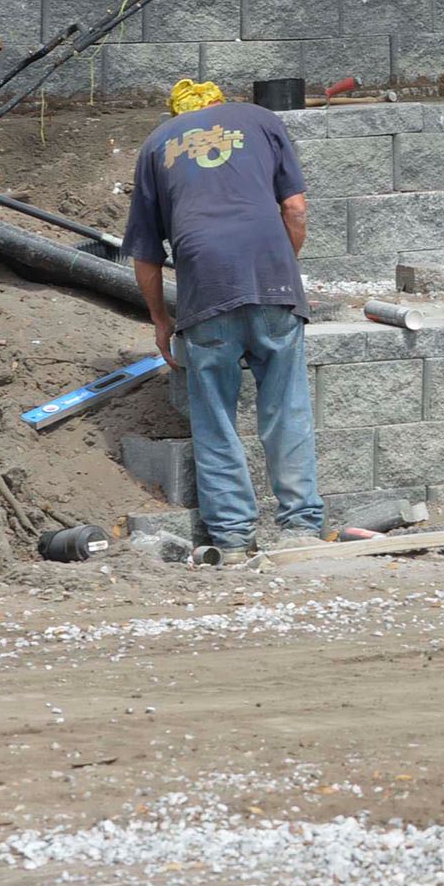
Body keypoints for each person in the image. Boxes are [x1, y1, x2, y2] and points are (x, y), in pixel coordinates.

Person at [122, 78, 323, 560]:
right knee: (286, 408)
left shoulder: (155, 145)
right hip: (273, 281)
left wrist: (161, 322)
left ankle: (232, 539)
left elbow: (145, 259)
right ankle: (301, 530)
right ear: (218, 103)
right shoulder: (260, 120)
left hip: (205, 290)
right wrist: (282, 263)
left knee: (215, 418)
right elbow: (294, 207)